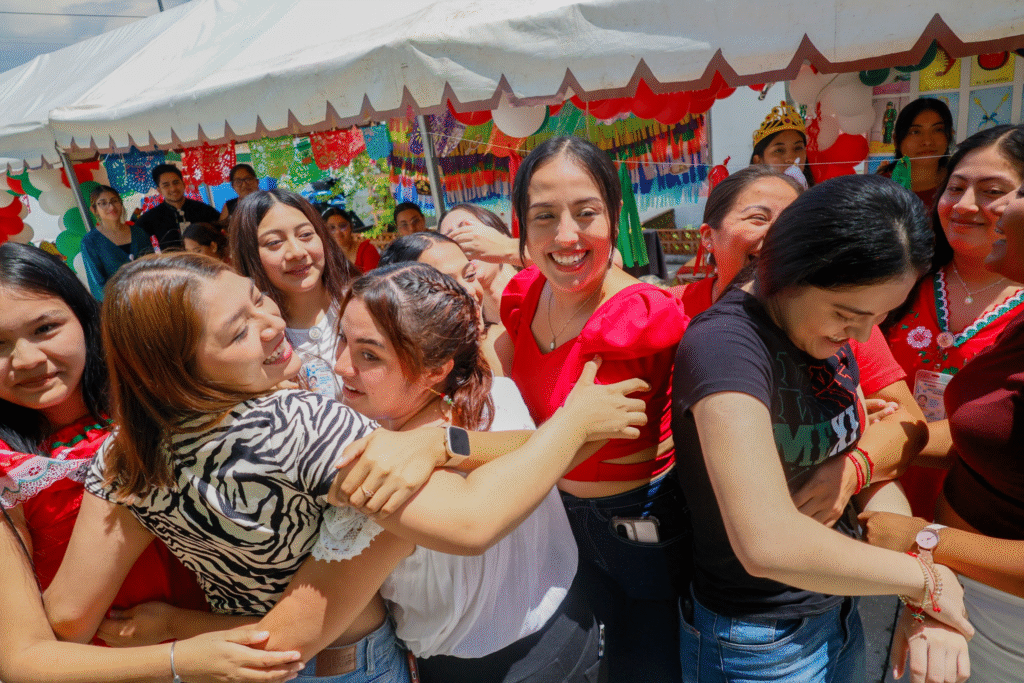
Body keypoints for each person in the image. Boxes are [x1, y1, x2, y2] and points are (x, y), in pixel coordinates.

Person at [42, 252, 646, 681]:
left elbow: (68, 615)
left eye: (257, 299)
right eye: (238, 332)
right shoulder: (300, 424)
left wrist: (177, 636)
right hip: (345, 665)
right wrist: (572, 424)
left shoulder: (123, 451)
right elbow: (469, 523)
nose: (272, 324)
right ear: (180, 368)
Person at [673, 174, 973, 683]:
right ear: (791, 271)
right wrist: (925, 580)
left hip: (836, 611)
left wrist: (919, 590)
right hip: (761, 641)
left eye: (880, 316)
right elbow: (766, 542)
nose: (860, 333)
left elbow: (884, 450)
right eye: (847, 314)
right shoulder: (727, 345)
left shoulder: (823, 331)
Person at [0, 242, 303, 683]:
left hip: (265, 651)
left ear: (84, 316)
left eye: (45, 328)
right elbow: (23, 659)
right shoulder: (8, 474)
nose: (27, 359)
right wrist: (179, 658)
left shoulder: (177, 393)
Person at [497, 136, 691, 682]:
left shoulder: (637, 316)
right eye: (544, 216)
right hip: (552, 517)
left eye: (586, 213)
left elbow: (576, 442)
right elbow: (499, 367)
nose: (566, 236)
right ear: (522, 225)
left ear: (614, 215)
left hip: (634, 531)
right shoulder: (526, 294)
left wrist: (441, 446)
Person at [670, 166, 928, 529]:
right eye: (758, 218)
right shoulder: (673, 316)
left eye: (792, 220)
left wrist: (854, 466)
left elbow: (908, 423)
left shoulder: (847, 317)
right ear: (708, 237)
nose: (778, 234)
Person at [864, 177, 1024, 683]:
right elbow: (988, 433)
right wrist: (874, 444)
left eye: (1016, 193)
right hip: (956, 581)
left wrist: (922, 537)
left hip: (1005, 619)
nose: (999, 208)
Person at [884, 124, 1024, 520]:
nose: (964, 205)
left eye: (992, 191)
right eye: (955, 187)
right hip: (877, 497)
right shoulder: (897, 279)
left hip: (974, 525)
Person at [231, 189, 356, 398]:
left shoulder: (364, 305)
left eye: (305, 235)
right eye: (274, 242)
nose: (297, 252)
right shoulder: (251, 344)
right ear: (250, 256)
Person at [378, 232, 507, 376]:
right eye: (447, 285)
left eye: (470, 276)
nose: (470, 291)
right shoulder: (387, 378)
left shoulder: (505, 345)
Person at [439, 204, 519, 323]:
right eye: (450, 240)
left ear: (502, 234)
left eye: (466, 230)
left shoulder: (543, 284)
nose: (461, 243)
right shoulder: (467, 325)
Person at [876, 98, 954, 209]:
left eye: (937, 130)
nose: (927, 141)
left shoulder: (959, 185)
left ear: (949, 135)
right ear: (897, 140)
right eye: (915, 132)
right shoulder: (877, 189)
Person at [80, 185, 150, 300]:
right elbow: (97, 285)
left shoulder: (139, 233)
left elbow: (152, 266)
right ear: (94, 209)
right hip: (117, 304)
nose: (111, 207)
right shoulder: (90, 241)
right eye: (103, 203)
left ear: (121, 203)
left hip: (148, 298)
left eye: (114, 201)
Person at [133, 163, 220, 251]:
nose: (173, 189)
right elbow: (135, 238)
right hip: (172, 259)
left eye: (176, 182)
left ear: (183, 184)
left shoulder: (204, 210)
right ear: (159, 190)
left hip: (203, 259)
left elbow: (222, 232)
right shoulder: (152, 217)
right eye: (166, 185)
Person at [750, 101, 814, 188]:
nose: (791, 159)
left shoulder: (819, 194)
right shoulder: (749, 196)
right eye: (779, 150)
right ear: (758, 161)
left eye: (798, 148)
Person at [322, 207, 380, 273]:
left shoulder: (366, 250)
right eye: (331, 228)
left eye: (342, 226)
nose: (338, 231)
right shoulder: (324, 255)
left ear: (351, 227)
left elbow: (374, 278)